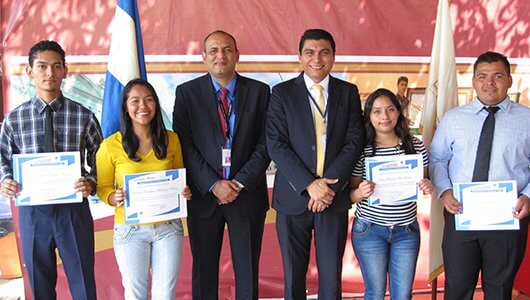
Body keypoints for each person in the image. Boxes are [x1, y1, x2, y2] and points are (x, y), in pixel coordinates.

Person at [266, 29, 365, 299]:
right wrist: (309, 185)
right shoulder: (282, 93)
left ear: (333, 56)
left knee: (331, 276)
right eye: (309, 52)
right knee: (294, 276)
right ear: (300, 57)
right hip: (293, 198)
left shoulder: (348, 93)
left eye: (324, 52)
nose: (317, 58)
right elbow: (276, 143)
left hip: (333, 199)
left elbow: (354, 141)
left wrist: (327, 188)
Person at [0, 40, 102, 299]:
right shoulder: (14, 119)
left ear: (65, 71)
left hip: (73, 211)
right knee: (40, 284)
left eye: (57, 67)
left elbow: (101, 158)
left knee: (83, 284)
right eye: (42, 66)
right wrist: (6, 179)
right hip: (33, 212)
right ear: (30, 72)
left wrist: (90, 182)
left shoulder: (84, 116)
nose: (50, 73)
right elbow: (2, 158)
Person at [172, 30, 270, 300]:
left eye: (227, 49)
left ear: (237, 55)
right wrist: (214, 184)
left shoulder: (260, 92)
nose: (220, 56)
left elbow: (267, 143)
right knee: (203, 274)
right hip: (204, 198)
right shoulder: (187, 94)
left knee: (248, 273)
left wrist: (237, 183)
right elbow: (185, 145)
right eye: (213, 50)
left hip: (247, 195)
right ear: (204, 57)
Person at [430, 51, 530, 300]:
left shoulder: (527, 119)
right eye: (482, 76)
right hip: (461, 214)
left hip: (508, 217)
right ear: (473, 81)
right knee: (457, 287)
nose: (489, 83)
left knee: (499, 289)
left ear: (509, 79)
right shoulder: (454, 119)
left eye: (498, 76)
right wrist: (445, 190)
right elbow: (438, 159)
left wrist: (528, 196)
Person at [96, 78, 191, 299]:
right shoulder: (110, 145)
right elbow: (102, 187)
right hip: (130, 230)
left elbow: (180, 178)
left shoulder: (172, 140)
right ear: (125, 107)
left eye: (148, 100)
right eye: (135, 101)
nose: (142, 107)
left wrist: (183, 192)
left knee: (165, 294)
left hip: (168, 228)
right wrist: (112, 197)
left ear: (155, 104)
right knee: (135, 293)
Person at [349, 88, 433, 299]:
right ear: (368, 116)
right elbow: (350, 195)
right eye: (377, 111)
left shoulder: (415, 146)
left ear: (399, 112)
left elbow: (423, 182)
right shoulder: (363, 150)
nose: (384, 116)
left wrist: (427, 185)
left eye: (390, 109)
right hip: (370, 230)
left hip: (406, 232)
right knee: (375, 293)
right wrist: (360, 192)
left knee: (403, 295)